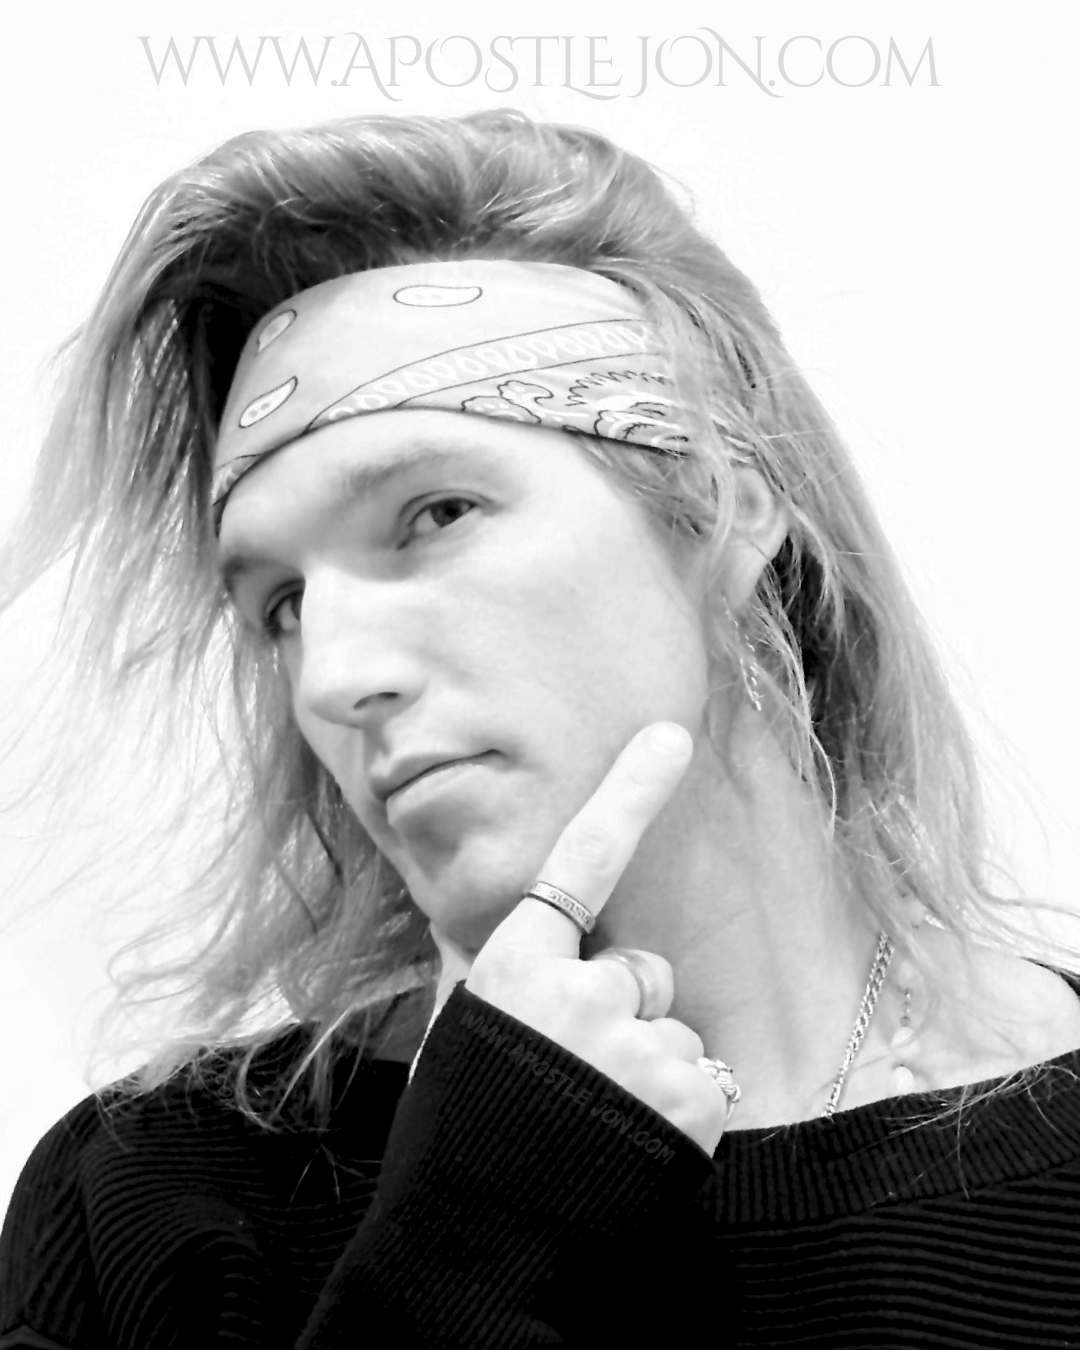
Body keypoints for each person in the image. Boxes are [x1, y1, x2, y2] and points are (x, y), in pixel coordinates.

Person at [2, 108, 1080, 1349]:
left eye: (436, 514)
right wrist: (464, 1241)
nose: (336, 677)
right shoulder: (152, 1206)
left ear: (723, 508)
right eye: (284, 604)